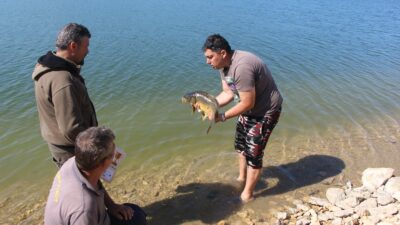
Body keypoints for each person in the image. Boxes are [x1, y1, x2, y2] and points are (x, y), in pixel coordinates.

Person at [202, 34, 283, 202]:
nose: (207, 61)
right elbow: (228, 93)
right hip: (248, 109)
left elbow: (247, 103)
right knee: (241, 146)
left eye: (210, 57)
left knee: (254, 153)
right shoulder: (224, 66)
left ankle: (247, 195)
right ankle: (241, 178)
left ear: (222, 53)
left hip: (265, 112)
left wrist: (222, 116)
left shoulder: (242, 67)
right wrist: (211, 106)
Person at [44, 127, 147, 225]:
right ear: (104, 162)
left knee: (134, 212)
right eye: (113, 154)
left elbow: (95, 181)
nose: (116, 154)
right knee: (137, 219)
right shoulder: (84, 208)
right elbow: (83, 212)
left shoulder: (74, 163)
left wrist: (111, 205)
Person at [32, 23, 98, 168]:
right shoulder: (62, 80)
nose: (88, 51)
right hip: (71, 151)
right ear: (73, 46)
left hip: (61, 147)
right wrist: (97, 149)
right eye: (86, 46)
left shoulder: (47, 67)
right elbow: (71, 128)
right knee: (84, 189)